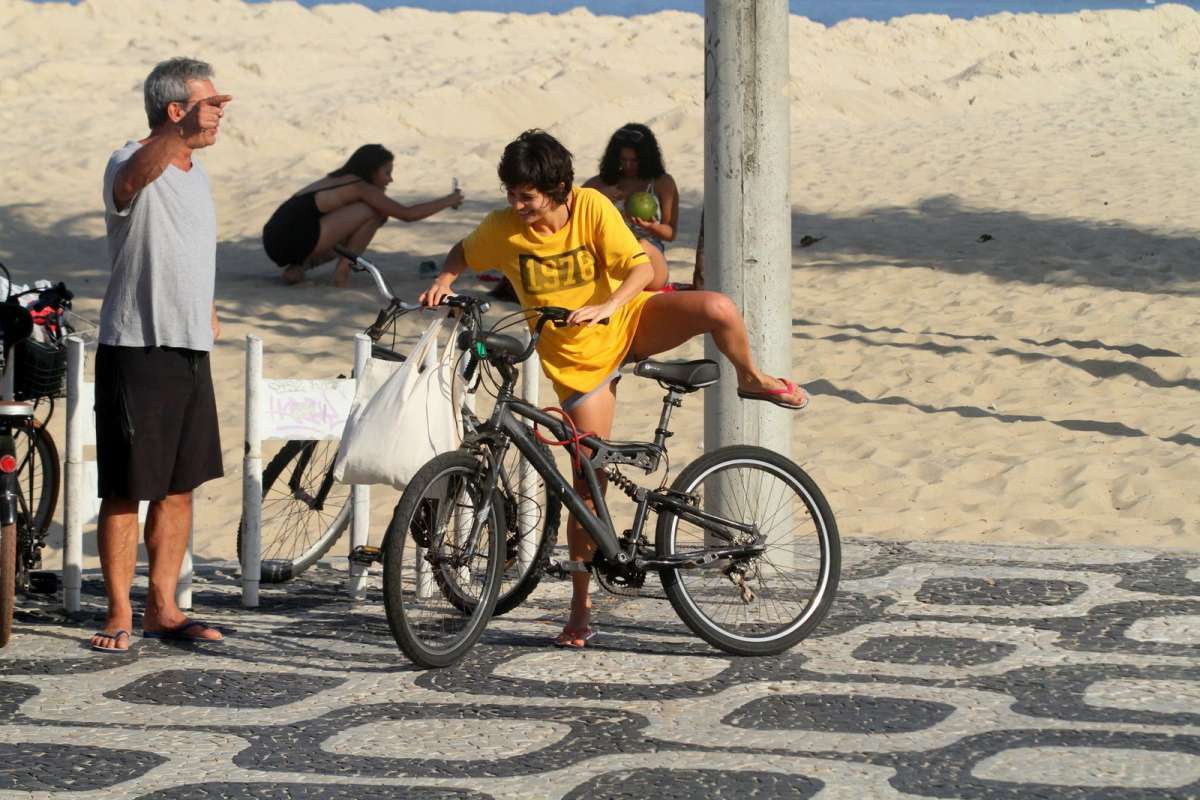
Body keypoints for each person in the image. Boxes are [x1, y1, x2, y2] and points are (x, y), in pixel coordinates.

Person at [420, 130, 809, 649]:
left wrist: (607, 306)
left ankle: (752, 378)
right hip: (581, 369)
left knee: (717, 307)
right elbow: (463, 252)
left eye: (527, 197)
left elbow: (641, 269)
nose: (517, 206)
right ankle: (580, 611)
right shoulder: (504, 229)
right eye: (511, 194)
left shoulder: (592, 207)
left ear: (558, 189)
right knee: (588, 488)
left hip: (628, 323)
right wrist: (445, 280)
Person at [90, 57, 230, 653]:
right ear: (176, 111)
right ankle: (119, 612)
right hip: (137, 347)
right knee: (127, 487)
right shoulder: (130, 159)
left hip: (190, 348)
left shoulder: (197, 174)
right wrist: (174, 133)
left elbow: (186, 249)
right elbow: (131, 184)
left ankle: (163, 609)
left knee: (179, 487)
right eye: (210, 103)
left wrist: (207, 307)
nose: (220, 112)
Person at [262, 145, 464, 286]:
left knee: (369, 215)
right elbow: (407, 214)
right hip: (289, 239)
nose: (390, 179)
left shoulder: (341, 179)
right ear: (372, 171)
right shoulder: (358, 186)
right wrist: (448, 200)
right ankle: (341, 275)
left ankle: (297, 268)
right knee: (376, 212)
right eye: (387, 172)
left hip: (275, 239)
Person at [583, 123, 678, 292]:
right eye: (623, 160)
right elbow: (573, 208)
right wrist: (601, 195)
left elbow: (670, 234)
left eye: (634, 161)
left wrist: (652, 227)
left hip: (650, 257)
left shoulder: (662, 183)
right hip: (612, 253)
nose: (628, 166)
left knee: (641, 245)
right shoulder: (600, 183)